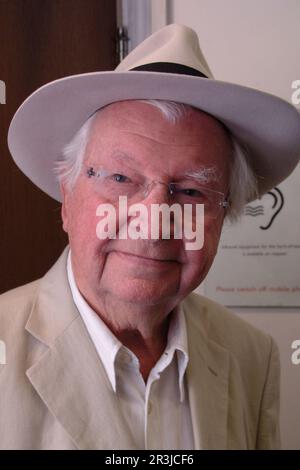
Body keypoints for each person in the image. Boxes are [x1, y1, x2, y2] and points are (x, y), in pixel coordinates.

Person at [0, 24, 300, 450]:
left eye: (192, 191)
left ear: (222, 214)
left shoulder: (252, 357)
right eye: (121, 178)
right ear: (68, 197)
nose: (154, 221)